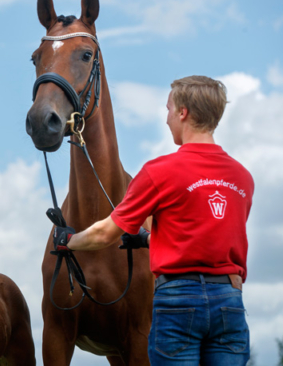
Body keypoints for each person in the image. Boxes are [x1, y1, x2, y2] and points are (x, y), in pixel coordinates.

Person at [54, 75, 254, 365]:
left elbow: (104, 235)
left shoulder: (159, 172)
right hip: (230, 301)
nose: (167, 118)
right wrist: (149, 239)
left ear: (183, 113)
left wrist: (69, 242)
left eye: (169, 110)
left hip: (178, 300)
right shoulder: (242, 178)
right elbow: (204, 234)